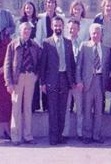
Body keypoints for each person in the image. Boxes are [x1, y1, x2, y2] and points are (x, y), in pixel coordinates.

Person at [4, 22, 42, 145]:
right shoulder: (13, 45)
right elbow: (7, 64)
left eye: (29, 29)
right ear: (20, 30)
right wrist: (8, 82)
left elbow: (40, 61)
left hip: (30, 76)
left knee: (27, 107)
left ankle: (28, 135)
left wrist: (36, 75)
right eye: (25, 29)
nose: (27, 31)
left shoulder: (35, 45)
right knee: (16, 107)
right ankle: (15, 136)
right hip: (17, 78)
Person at [40, 16, 76, 145]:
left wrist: (73, 81)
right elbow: (42, 64)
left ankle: (60, 136)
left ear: (63, 26)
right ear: (52, 27)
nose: (57, 28)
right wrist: (42, 83)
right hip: (51, 81)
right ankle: (53, 138)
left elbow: (71, 63)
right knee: (53, 111)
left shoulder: (68, 42)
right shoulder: (47, 43)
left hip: (65, 79)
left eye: (60, 25)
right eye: (55, 26)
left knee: (62, 111)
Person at [76, 23, 111, 144]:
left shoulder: (106, 49)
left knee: (98, 110)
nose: (96, 35)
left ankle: (96, 135)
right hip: (87, 82)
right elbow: (79, 65)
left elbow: (107, 68)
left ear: (101, 34)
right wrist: (79, 81)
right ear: (90, 34)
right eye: (93, 33)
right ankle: (87, 135)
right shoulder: (84, 46)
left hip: (100, 81)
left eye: (98, 33)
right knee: (87, 110)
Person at [34, 0, 60, 112]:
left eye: (53, 3)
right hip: (44, 51)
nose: (50, 4)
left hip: (56, 52)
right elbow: (38, 37)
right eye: (48, 2)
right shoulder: (41, 18)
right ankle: (44, 106)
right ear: (46, 4)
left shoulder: (59, 18)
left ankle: (52, 105)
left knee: (53, 78)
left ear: (55, 5)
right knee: (43, 79)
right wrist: (41, 51)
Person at [63, 19, 84, 139]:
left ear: (78, 29)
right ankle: (65, 133)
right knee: (65, 109)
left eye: (74, 28)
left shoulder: (82, 44)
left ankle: (80, 133)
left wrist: (80, 81)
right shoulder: (64, 43)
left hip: (78, 82)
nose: (72, 30)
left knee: (80, 109)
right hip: (66, 81)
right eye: (70, 28)